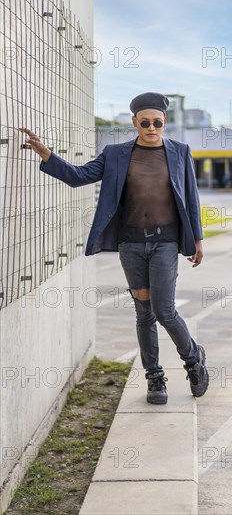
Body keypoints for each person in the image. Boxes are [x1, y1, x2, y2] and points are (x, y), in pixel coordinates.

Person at [19, 92, 209, 405]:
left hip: (165, 242)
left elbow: (190, 196)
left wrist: (197, 239)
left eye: (157, 122)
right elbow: (79, 176)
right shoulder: (116, 153)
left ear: (165, 122)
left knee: (164, 310)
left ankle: (193, 360)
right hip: (130, 244)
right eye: (144, 122)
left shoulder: (180, 152)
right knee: (144, 313)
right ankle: (155, 378)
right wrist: (45, 153)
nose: (151, 127)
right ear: (134, 122)